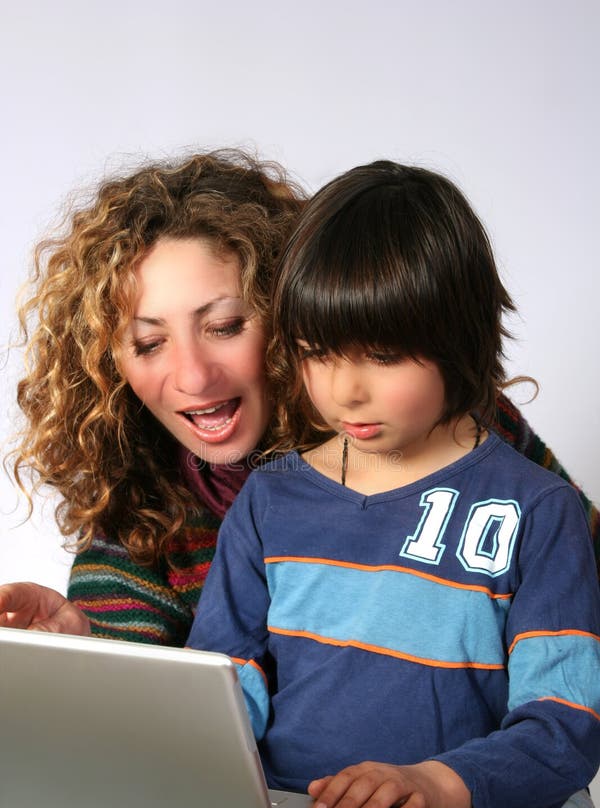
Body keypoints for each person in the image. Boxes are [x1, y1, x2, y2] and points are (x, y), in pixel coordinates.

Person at [186, 161, 600, 808]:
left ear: (458, 336)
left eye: (382, 356)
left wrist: (431, 785)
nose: (346, 389)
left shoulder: (538, 511)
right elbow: (222, 690)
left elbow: (564, 723)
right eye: (318, 354)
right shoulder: (271, 503)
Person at [0, 150, 598, 647]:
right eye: (149, 342)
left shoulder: (439, 425)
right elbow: (151, 728)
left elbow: (581, 572)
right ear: (108, 363)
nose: (193, 377)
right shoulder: (145, 518)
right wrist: (84, 646)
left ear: (289, 312)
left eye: (226, 327)